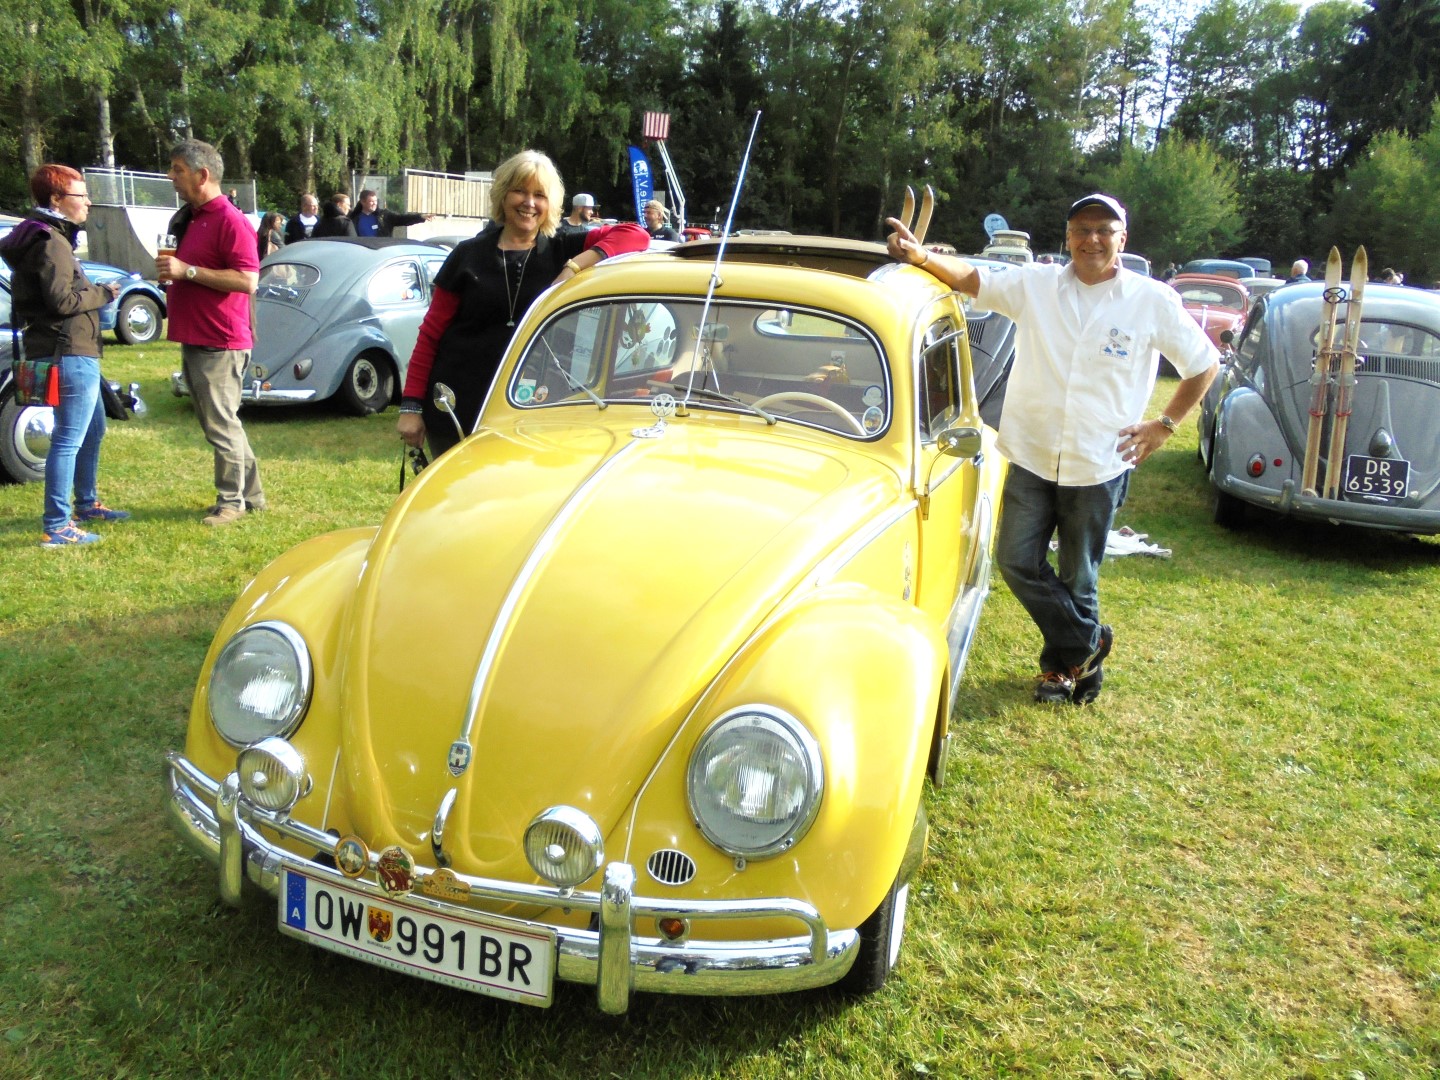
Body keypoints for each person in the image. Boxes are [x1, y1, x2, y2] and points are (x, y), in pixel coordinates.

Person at [887, 193, 1219, 705]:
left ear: (1121, 239)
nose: (1092, 239)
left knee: (1076, 575)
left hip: (1099, 462)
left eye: (1104, 230)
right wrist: (921, 256)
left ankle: (1064, 672)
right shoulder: (1036, 285)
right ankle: (1090, 644)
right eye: (1082, 229)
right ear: (1067, 237)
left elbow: (1203, 364)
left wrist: (1165, 425)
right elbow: (973, 279)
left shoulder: (1151, 300)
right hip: (1033, 454)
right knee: (1017, 560)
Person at [397, 150, 649, 458]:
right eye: (519, 191)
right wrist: (410, 406)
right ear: (503, 195)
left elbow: (636, 235)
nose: (529, 203)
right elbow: (430, 335)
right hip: (456, 404)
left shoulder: (563, 246)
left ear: (550, 204)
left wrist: (573, 266)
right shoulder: (467, 255)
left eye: (539, 195)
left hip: (533, 407)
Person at [0, 164, 128, 547]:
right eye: (80, 195)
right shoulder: (51, 241)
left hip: (62, 348)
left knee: (94, 428)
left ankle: (87, 504)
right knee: (69, 438)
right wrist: (104, 293)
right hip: (68, 350)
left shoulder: (42, 236)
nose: (88, 202)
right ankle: (57, 525)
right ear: (57, 200)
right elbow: (61, 299)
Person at [159, 139, 266, 526]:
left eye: (178, 169)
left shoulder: (230, 221)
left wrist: (187, 271)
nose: (171, 177)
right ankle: (252, 497)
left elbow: (247, 280)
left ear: (202, 175)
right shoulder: (192, 217)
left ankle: (232, 502)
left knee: (221, 426)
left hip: (220, 340)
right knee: (221, 423)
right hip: (197, 336)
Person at [348, 189, 431, 237]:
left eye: (376, 201)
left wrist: (420, 217)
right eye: (371, 201)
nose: (375, 204)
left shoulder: (384, 215)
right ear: (363, 202)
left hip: (382, 251)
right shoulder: (354, 218)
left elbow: (402, 218)